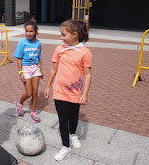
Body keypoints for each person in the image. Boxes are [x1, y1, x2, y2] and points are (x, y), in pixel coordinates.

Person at [44, 19, 92, 161]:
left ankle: (73, 134)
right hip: (59, 91)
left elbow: (88, 74)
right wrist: (47, 86)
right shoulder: (59, 49)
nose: (61, 37)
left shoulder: (85, 52)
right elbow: (53, 69)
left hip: (75, 93)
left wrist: (85, 94)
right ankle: (66, 146)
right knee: (62, 119)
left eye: (64, 35)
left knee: (73, 118)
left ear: (75, 34)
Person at [14, 20, 43, 122]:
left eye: (31, 31)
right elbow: (18, 59)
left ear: (35, 32)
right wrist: (20, 72)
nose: (28, 33)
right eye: (26, 31)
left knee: (35, 93)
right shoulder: (22, 43)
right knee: (29, 93)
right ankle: (20, 102)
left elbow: (39, 57)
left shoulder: (38, 43)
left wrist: (41, 70)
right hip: (25, 68)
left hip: (35, 68)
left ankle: (33, 111)